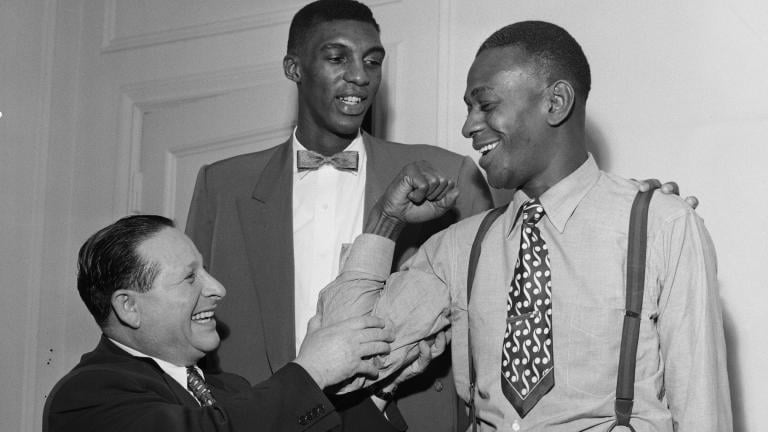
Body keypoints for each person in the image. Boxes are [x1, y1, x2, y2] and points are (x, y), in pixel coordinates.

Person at [319, 21, 732, 431]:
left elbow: (703, 412)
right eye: (468, 108)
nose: (468, 127)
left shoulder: (661, 225)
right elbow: (345, 366)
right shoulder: (461, 247)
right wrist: (384, 222)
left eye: (486, 104)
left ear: (555, 102)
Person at [185, 1, 493, 430]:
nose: (360, 76)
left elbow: (489, 332)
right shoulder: (222, 185)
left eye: (372, 61)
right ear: (294, 68)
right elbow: (184, 326)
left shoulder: (446, 175)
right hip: (266, 417)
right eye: (337, 57)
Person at [43, 215, 422, 432]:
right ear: (129, 307)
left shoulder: (230, 390)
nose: (218, 288)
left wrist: (380, 385)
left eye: (205, 270)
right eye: (190, 277)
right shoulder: (83, 398)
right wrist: (312, 370)